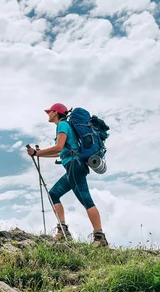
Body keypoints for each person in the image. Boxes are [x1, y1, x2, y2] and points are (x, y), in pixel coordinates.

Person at [27, 103, 109, 247]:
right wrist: (38, 154)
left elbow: (59, 147)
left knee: (86, 199)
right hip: (73, 165)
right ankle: (63, 230)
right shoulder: (65, 126)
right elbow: (61, 152)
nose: (48, 114)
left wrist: (37, 153)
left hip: (74, 166)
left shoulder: (62, 125)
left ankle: (100, 237)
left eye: (50, 111)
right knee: (53, 194)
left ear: (56, 112)